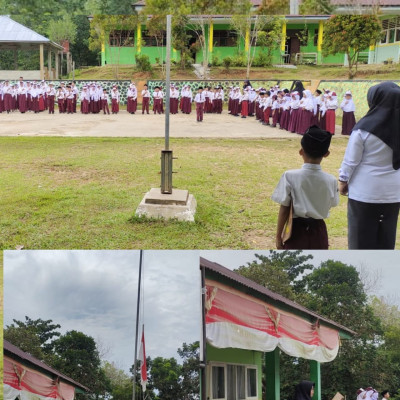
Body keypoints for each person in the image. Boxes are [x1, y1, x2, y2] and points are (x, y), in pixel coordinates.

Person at [339, 81, 400, 249]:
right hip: (393, 193)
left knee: (360, 242)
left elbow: (350, 161)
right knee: (386, 241)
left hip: (364, 192)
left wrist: (343, 181)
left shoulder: (363, 129)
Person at [272, 125, 339, 249]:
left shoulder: (289, 176)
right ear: (326, 154)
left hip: (295, 232)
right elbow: (333, 203)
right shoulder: (331, 180)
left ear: (301, 151)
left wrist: (278, 237)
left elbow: (285, 208)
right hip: (319, 232)